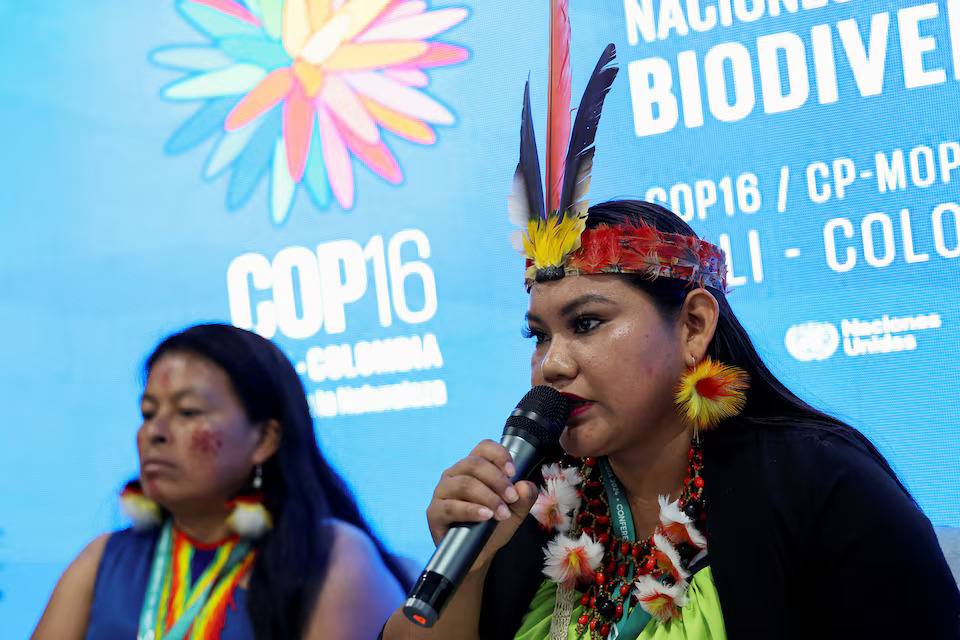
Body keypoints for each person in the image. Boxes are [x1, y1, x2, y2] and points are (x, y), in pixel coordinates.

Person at [381, 9, 960, 639]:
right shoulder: (533, 506)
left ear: (693, 326)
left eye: (587, 323)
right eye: (539, 334)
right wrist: (468, 563)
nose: (552, 363)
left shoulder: (818, 487)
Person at [33, 323, 409, 640]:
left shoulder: (333, 556)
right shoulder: (102, 560)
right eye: (148, 413)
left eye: (188, 412)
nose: (155, 432)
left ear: (264, 439)